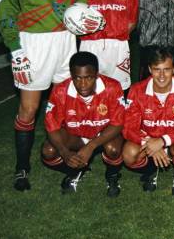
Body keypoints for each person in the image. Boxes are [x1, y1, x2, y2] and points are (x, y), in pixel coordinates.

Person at [0, 0, 88, 191]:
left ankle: (65, 158)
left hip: (65, 43)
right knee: (29, 108)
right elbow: (6, 10)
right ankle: (22, 169)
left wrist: (87, 21)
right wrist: (15, 48)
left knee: (65, 108)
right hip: (33, 43)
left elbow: (82, 11)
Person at [41, 52, 125, 197]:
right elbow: (52, 126)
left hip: (102, 136)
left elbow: (118, 124)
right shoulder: (60, 91)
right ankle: (76, 170)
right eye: (77, 78)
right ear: (71, 75)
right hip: (76, 136)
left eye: (88, 78)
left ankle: (112, 176)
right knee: (48, 151)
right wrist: (65, 152)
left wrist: (91, 146)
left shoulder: (112, 87)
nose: (83, 84)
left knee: (113, 149)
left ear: (97, 75)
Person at [122, 48, 174, 197]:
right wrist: (152, 144)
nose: (162, 75)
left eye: (167, 70)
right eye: (157, 70)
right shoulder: (137, 90)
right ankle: (151, 170)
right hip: (149, 141)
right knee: (129, 154)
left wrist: (163, 141)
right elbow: (128, 127)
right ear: (150, 69)